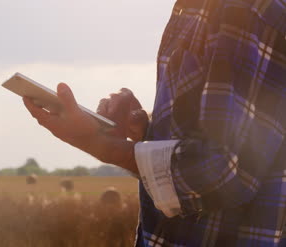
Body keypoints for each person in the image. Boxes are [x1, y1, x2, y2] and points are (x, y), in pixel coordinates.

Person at [23, 0, 285, 246]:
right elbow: (220, 139)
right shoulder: (197, 9)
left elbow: (225, 168)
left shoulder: (245, 10)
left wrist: (102, 146)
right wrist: (147, 128)